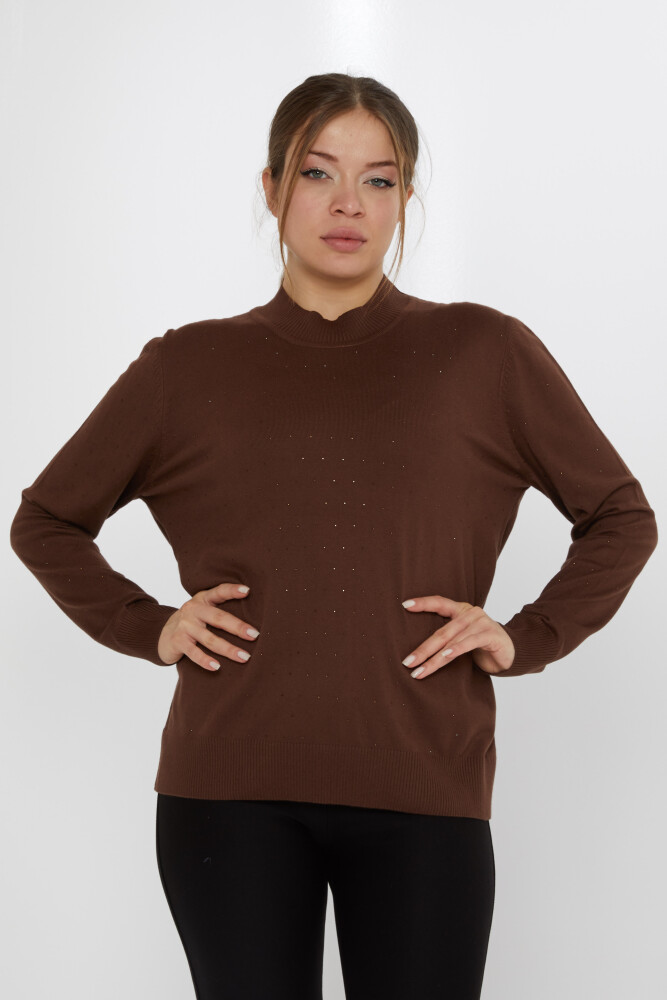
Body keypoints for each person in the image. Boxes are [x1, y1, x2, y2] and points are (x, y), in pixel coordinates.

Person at [9, 72, 658, 1000]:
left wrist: (529, 635)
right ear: (272, 187)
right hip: (226, 798)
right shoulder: (186, 366)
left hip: (425, 791)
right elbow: (46, 520)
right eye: (317, 173)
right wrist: (148, 625)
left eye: (378, 179)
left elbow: (619, 517)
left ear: (405, 197)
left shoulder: (486, 353)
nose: (348, 203)